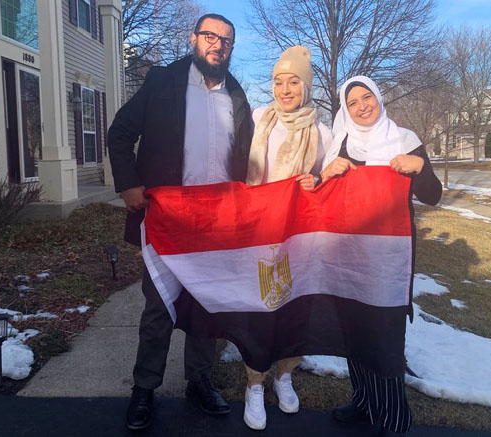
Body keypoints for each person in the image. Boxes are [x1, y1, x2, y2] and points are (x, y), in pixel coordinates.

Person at [107, 14, 252, 431]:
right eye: (210, 36)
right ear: (194, 39)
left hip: (218, 224)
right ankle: (144, 387)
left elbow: (250, 160)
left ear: (230, 48)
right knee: (159, 307)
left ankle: (198, 380)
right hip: (166, 218)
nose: (217, 45)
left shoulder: (237, 96)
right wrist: (129, 184)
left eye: (226, 40)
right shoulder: (163, 82)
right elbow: (119, 132)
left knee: (208, 305)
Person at [320, 76, 442, 436]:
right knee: (354, 328)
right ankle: (363, 400)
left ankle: (392, 417)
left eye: (366, 97)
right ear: (346, 108)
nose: (361, 106)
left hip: (389, 255)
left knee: (384, 334)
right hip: (349, 254)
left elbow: (432, 195)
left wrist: (419, 169)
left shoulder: (405, 140)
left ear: (378, 97)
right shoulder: (341, 143)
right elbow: (323, 198)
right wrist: (327, 174)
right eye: (353, 101)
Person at [243, 46, 333, 431]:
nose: (284, 89)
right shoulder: (258, 117)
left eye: (293, 81)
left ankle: (284, 376)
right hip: (257, 232)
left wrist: (318, 180)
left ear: (306, 87)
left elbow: (330, 184)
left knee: (294, 311)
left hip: (297, 238)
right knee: (260, 312)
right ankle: (254, 384)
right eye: (279, 81)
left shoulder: (322, 132)